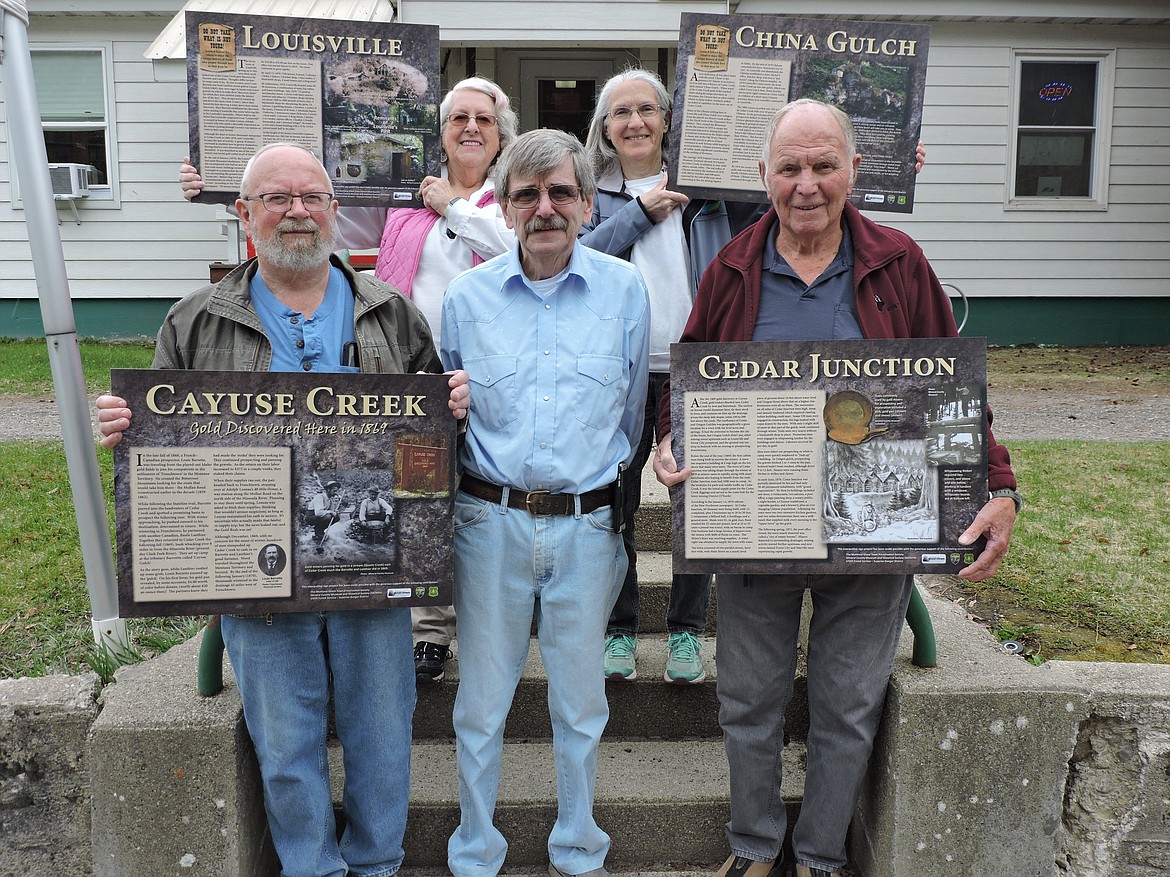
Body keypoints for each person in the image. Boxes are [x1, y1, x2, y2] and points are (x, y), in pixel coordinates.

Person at [652, 99, 1020, 877]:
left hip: (875, 530)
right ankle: (754, 847)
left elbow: (954, 387)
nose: (807, 184)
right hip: (759, 527)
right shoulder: (732, 268)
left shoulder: (899, 262)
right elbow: (687, 379)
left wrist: (999, 485)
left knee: (847, 706)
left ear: (855, 170)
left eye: (824, 165)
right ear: (764, 176)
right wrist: (668, 444)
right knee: (747, 700)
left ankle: (819, 856)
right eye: (790, 167)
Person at [97, 142, 471, 877]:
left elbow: (429, 430)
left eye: (311, 196)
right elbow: (161, 433)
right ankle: (311, 867)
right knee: (286, 736)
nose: (296, 210)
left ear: (335, 210)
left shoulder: (389, 312)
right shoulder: (196, 318)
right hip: (255, 569)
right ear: (245, 213)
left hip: (373, 565)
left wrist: (450, 406)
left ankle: (375, 862)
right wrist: (122, 423)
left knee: (381, 731)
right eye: (276, 197)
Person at [580, 69, 927, 686]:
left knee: (701, 501)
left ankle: (687, 628)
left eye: (647, 109)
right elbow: (578, 255)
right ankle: (620, 625)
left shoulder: (713, 182)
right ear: (604, 128)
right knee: (619, 503)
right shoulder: (594, 189)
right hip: (626, 372)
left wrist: (887, 170)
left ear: (668, 119)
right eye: (619, 112)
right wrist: (639, 213)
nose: (634, 122)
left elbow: (802, 203)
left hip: (707, 366)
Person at [179, 76, 518, 683]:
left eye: (484, 119)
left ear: (501, 132)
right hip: (394, 366)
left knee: (429, 499)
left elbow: (519, 252)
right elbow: (321, 227)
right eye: (457, 117)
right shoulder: (402, 200)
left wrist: (451, 206)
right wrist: (216, 187)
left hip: (466, 370)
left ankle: (432, 626)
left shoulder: (507, 198)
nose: (470, 128)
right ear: (437, 133)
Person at [440, 128, 650, 877]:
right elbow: (446, 418)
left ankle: (578, 847)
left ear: (590, 204)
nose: (545, 208)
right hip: (488, 524)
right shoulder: (465, 300)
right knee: (480, 705)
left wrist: (608, 502)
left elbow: (633, 414)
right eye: (527, 194)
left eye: (561, 192)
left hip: (588, 527)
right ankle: (474, 849)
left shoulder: (626, 292)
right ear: (503, 207)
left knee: (580, 707)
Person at [309, 479, 345, 546]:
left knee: (336, 517)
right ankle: (318, 532)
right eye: (334, 491)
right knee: (328, 516)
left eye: (336, 491)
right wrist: (331, 512)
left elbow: (332, 512)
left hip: (319, 517)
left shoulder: (330, 500)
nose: (335, 493)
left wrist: (335, 512)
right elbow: (318, 513)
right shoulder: (320, 497)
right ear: (328, 489)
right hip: (311, 516)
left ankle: (319, 530)